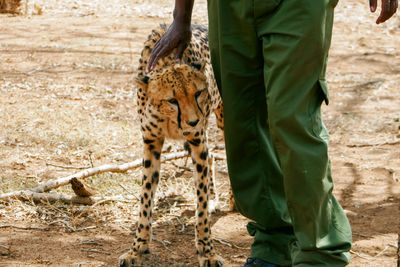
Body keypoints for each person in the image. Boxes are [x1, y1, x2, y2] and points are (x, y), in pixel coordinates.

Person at [147, 0, 398, 266]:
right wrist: (181, 16)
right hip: (229, 8)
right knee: (243, 120)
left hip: (297, 6)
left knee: (292, 117)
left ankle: (321, 253)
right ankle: (274, 245)